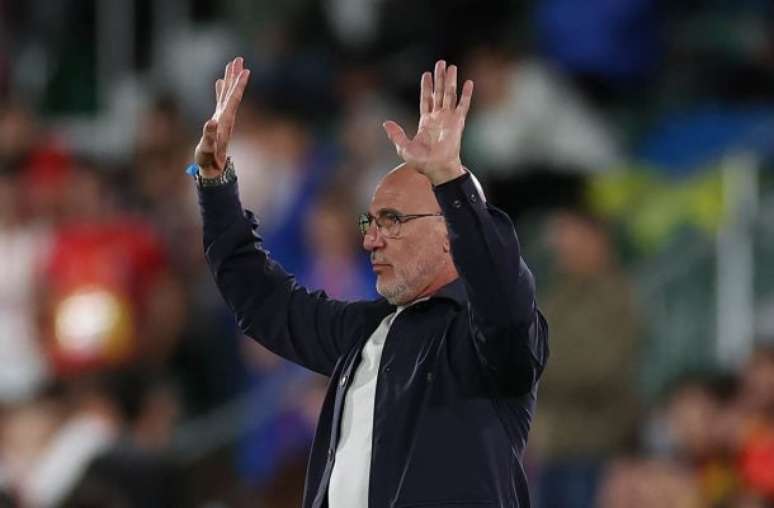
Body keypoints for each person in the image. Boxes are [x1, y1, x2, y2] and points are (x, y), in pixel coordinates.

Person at [191, 57, 549, 508]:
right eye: (370, 221)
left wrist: (451, 182)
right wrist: (215, 183)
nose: (371, 239)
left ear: (449, 234)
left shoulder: (488, 343)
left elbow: (502, 292)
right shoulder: (362, 332)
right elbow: (262, 301)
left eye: (392, 220)